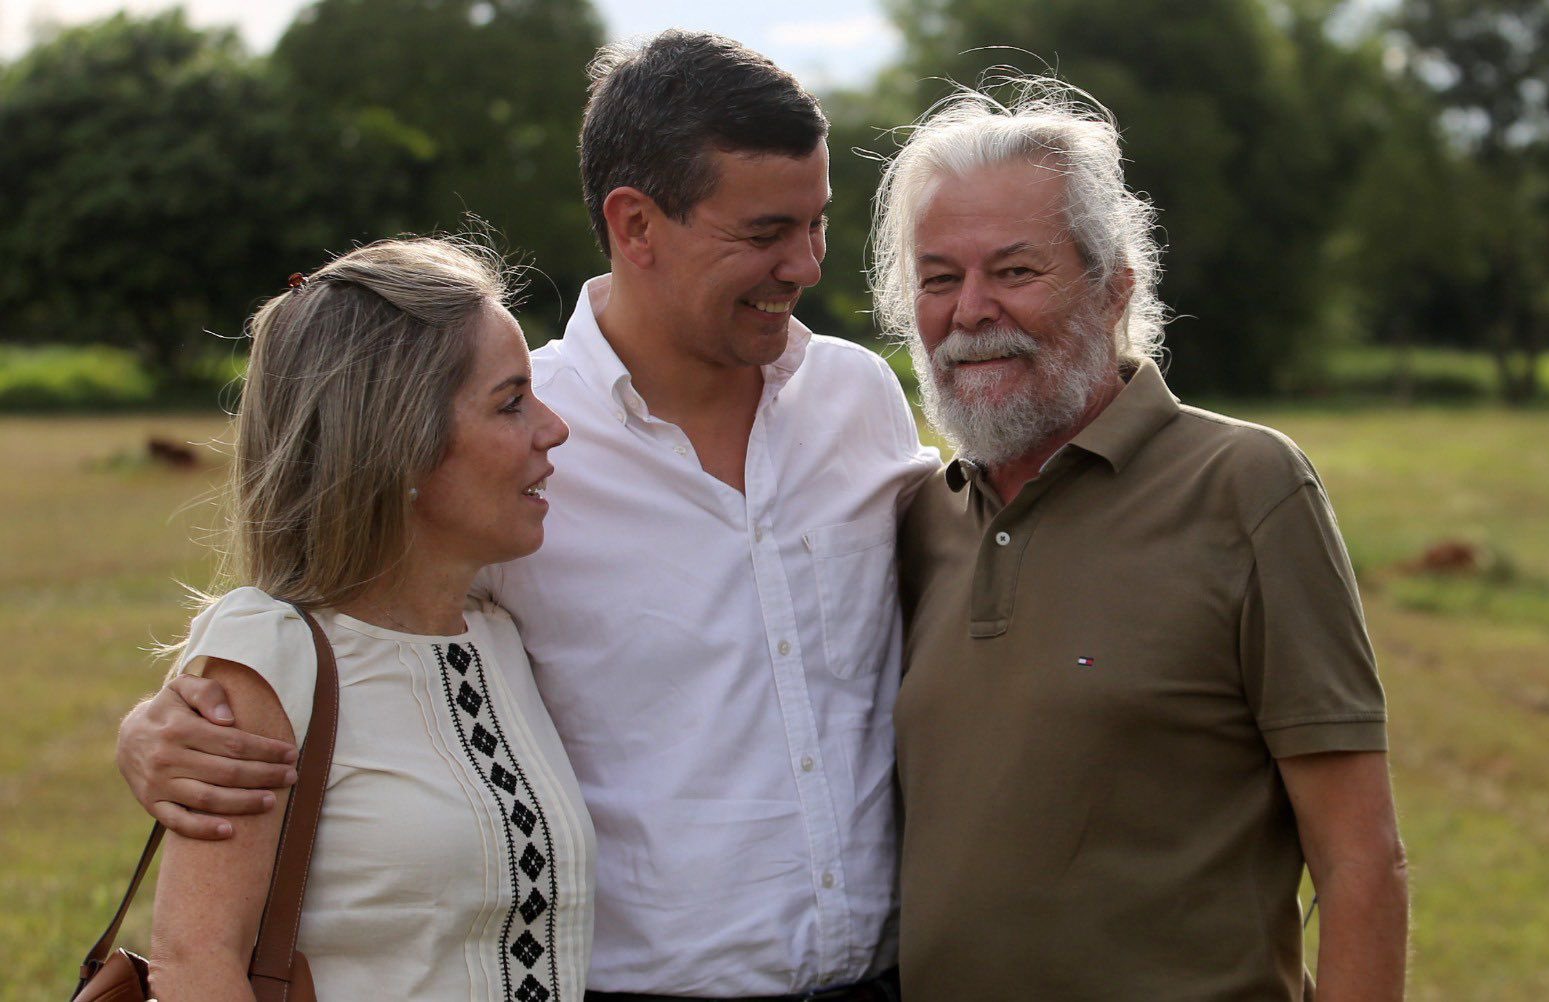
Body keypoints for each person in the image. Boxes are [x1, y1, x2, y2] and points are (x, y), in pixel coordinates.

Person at [117, 32, 936, 1000]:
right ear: (635, 224)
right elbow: (335, 612)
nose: (804, 263)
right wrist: (166, 725)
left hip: (885, 980)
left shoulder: (861, 400)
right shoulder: (507, 447)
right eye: (763, 233)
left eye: (818, 222)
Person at [870, 80, 1410, 1000]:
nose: (970, 311)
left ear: (1115, 286)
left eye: (1015, 270)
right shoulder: (918, 519)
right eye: (938, 277)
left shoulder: (1247, 487)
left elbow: (1362, 866)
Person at [145, 237, 595, 1001]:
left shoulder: (501, 639)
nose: (553, 429)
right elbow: (195, 963)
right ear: (400, 440)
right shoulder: (270, 651)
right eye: (511, 401)